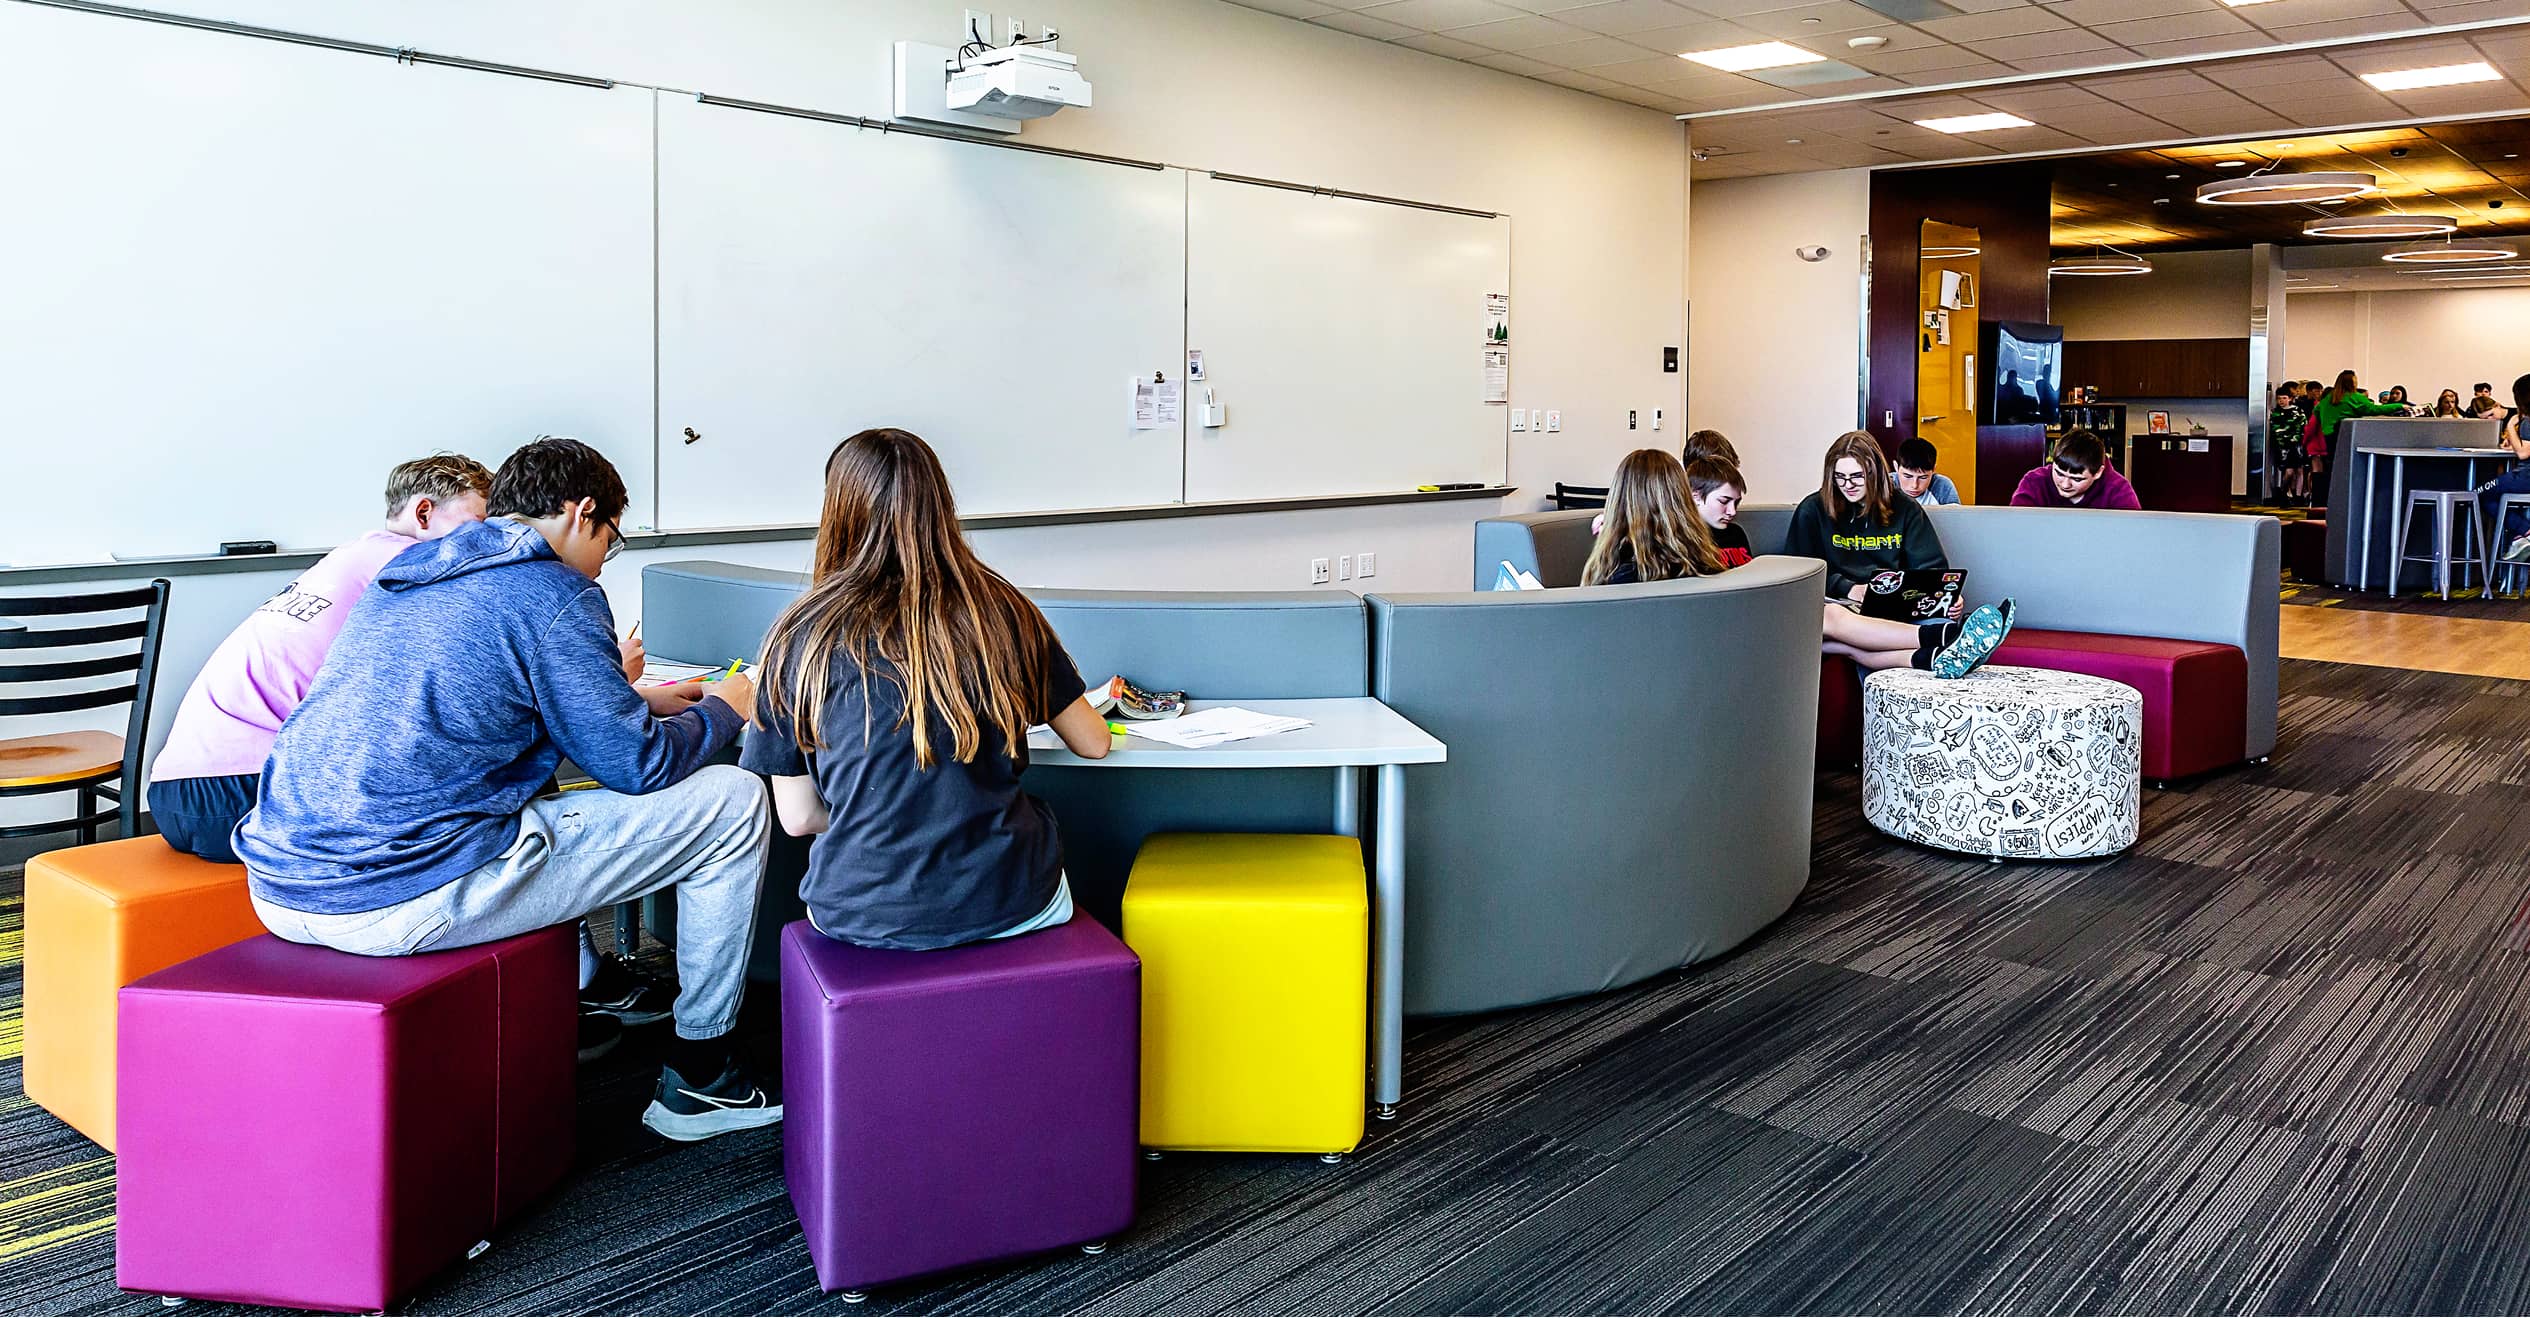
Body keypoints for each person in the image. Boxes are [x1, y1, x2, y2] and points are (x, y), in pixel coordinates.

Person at [234, 436, 782, 1142]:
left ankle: (596, 991)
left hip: (282, 884)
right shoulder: (557, 592)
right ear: (583, 512)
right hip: (395, 896)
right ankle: (704, 1073)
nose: (603, 560)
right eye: (610, 540)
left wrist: (635, 701)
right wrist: (728, 707)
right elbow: (638, 767)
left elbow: (477, 704)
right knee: (733, 802)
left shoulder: (410, 575)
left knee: (533, 797)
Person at [743, 429, 1113, 959]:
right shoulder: (1002, 612)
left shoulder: (799, 638)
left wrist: (876, 815)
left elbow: (799, 819)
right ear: (940, 504)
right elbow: (1094, 742)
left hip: (859, 913)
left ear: (838, 511)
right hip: (1012, 899)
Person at [147, 455, 491, 865]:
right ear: (423, 513)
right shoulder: (407, 562)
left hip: (173, 794)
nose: (485, 538)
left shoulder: (348, 559)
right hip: (241, 792)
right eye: (478, 524)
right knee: (457, 808)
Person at [1593, 447, 2011, 676]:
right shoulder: (1649, 551)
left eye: (1857, 478)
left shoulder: (1691, 540)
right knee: (1829, 619)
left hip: (1736, 622)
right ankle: (1946, 638)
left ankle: (1932, 657)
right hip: (1724, 634)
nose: (1732, 511)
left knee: (1842, 643)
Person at [1785, 431, 1952, 606]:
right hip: (1835, 603)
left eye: (1857, 476)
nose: (1848, 485)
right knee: (1834, 615)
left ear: (1875, 472)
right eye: (1840, 477)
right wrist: (1848, 588)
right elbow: (1799, 572)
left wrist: (1943, 593)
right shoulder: (1813, 509)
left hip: (1893, 602)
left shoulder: (1906, 508)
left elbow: (1932, 569)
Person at [2312, 370, 2405, 492]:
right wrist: (2400, 406)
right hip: (2346, 436)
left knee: (2332, 467)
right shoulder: (2354, 397)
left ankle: (2329, 495)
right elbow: (2374, 409)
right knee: (2348, 467)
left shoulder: (2329, 398)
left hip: (2329, 437)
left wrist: (2327, 422)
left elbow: (2316, 411)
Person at [2011, 430, 2140, 510]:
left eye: (2077, 479)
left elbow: (2132, 533)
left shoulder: (2118, 489)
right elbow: (2016, 527)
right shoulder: (2034, 482)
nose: (2065, 485)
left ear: (2098, 472)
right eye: (2059, 473)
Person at [2478, 373, 2530, 566]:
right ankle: (2520, 537)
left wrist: (2510, 426)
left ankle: (2524, 530)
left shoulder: (2527, 421)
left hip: (2524, 477)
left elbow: (2523, 453)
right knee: (2494, 496)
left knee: (2479, 493)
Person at [1685, 456, 1754, 568]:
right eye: (1724, 501)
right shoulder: (1684, 540)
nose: (1732, 512)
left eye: (1736, 502)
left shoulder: (1737, 533)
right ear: (1696, 497)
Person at [2269, 383, 2311, 506]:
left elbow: (2304, 426)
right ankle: (2283, 492)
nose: (2281, 401)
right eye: (2279, 398)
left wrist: (2300, 440)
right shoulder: (2276, 413)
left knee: (2300, 470)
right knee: (2289, 472)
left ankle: (2298, 496)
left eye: (2284, 398)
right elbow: (2275, 430)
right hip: (2283, 447)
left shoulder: (2298, 411)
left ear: (2290, 399)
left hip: (2297, 445)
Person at [1892, 437, 1961, 507]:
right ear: (1896, 467)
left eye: (1923, 477)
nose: (1914, 485)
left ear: (1933, 470)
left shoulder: (1942, 485)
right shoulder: (1887, 484)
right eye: (1908, 476)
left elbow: (1956, 514)